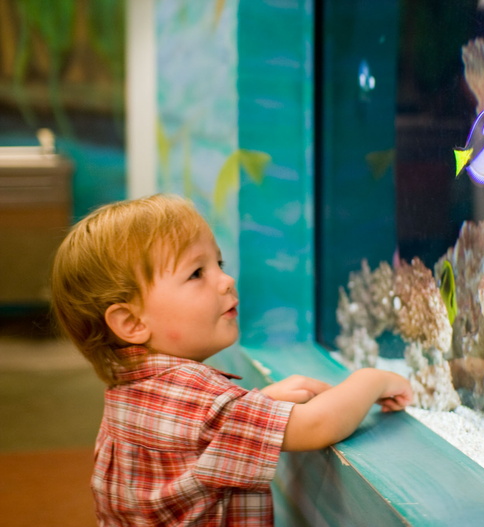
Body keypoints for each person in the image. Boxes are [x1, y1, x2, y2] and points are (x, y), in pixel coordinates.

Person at [51, 194, 413, 526]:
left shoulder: (131, 390)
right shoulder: (194, 394)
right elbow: (316, 426)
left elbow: (196, 437)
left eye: (218, 263)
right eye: (196, 273)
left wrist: (258, 404)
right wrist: (371, 380)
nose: (226, 280)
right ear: (131, 323)